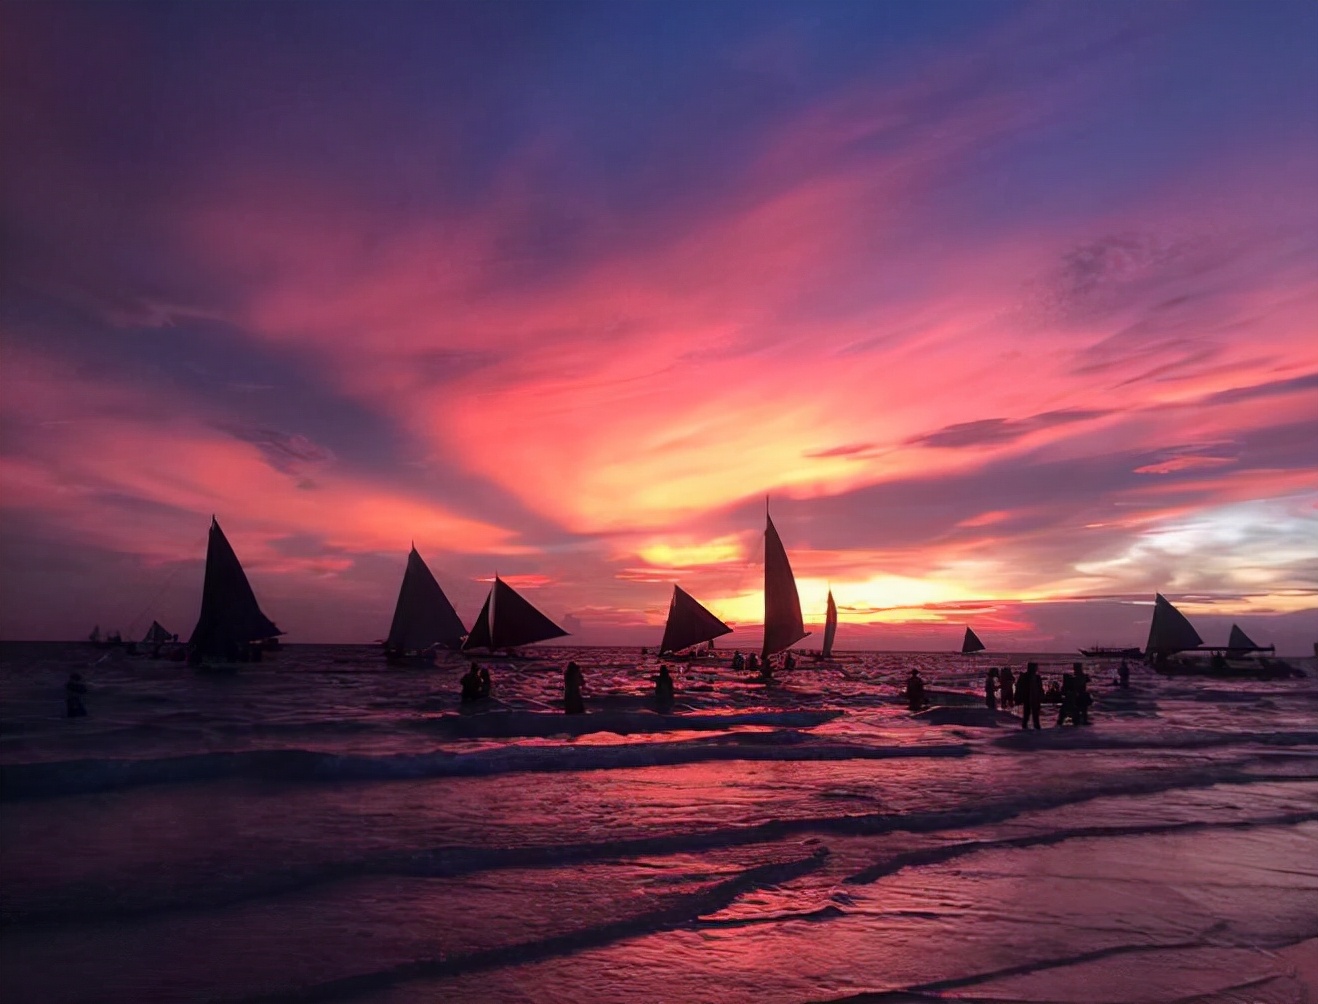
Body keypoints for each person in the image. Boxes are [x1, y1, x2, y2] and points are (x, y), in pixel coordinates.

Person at [1020, 662, 1042, 730]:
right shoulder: (1025, 677)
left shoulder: (1037, 677)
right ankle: (1025, 726)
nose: (1036, 669)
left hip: (1034, 697)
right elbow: (1020, 687)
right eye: (1035, 667)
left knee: (1035, 713)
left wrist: (1040, 696)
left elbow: (1040, 689)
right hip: (1028, 697)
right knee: (1027, 713)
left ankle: (1036, 726)